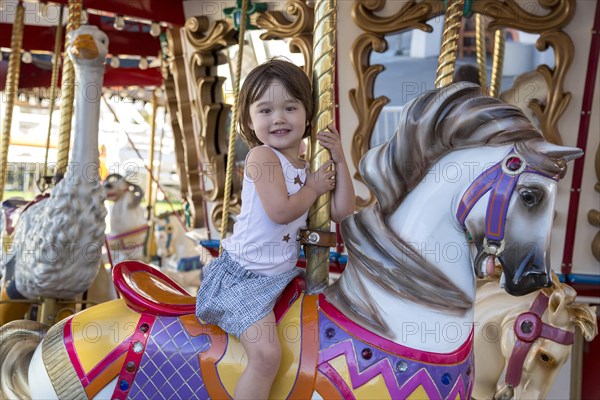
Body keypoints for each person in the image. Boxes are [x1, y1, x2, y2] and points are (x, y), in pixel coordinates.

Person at [196, 58, 355, 399]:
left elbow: (342, 211)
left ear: (307, 115)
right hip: (243, 277)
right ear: (250, 121)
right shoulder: (262, 157)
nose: (279, 118)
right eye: (265, 110)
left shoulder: (307, 163)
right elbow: (281, 211)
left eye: (290, 107)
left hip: (277, 278)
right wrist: (313, 188)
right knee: (267, 356)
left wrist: (339, 159)